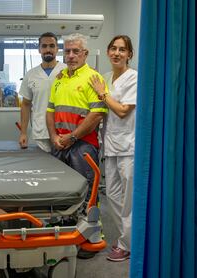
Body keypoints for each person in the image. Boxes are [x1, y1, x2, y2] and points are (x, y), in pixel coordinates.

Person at [46, 33, 108, 259]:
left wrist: (71, 137)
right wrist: (54, 136)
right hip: (60, 143)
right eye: (68, 51)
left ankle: (92, 236)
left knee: (87, 191)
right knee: (63, 192)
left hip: (83, 144)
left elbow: (97, 115)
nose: (70, 55)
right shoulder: (60, 78)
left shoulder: (93, 78)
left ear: (85, 54)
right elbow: (50, 110)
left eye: (75, 51)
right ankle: (68, 234)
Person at [88, 35, 137, 262]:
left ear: (129, 54)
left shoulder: (133, 78)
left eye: (122, 49)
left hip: (128, 147)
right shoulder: (105, 78)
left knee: (128, 200)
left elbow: (122, 110)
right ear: (108, 52)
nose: (117, 53)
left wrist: (103, 93)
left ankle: (127, 245)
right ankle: (128, 240)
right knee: (113, 197)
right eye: (114, 49)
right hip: (109, 147)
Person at [19, 32, 66, 152]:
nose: (48, 49)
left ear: (57, 49)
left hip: (64, 131)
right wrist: (23, 133)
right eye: (44, 46)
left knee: (64, 168)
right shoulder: (31, 75)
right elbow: (25, 104)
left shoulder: (66, 71)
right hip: (40, 132)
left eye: (51, 46)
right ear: (39, 49)